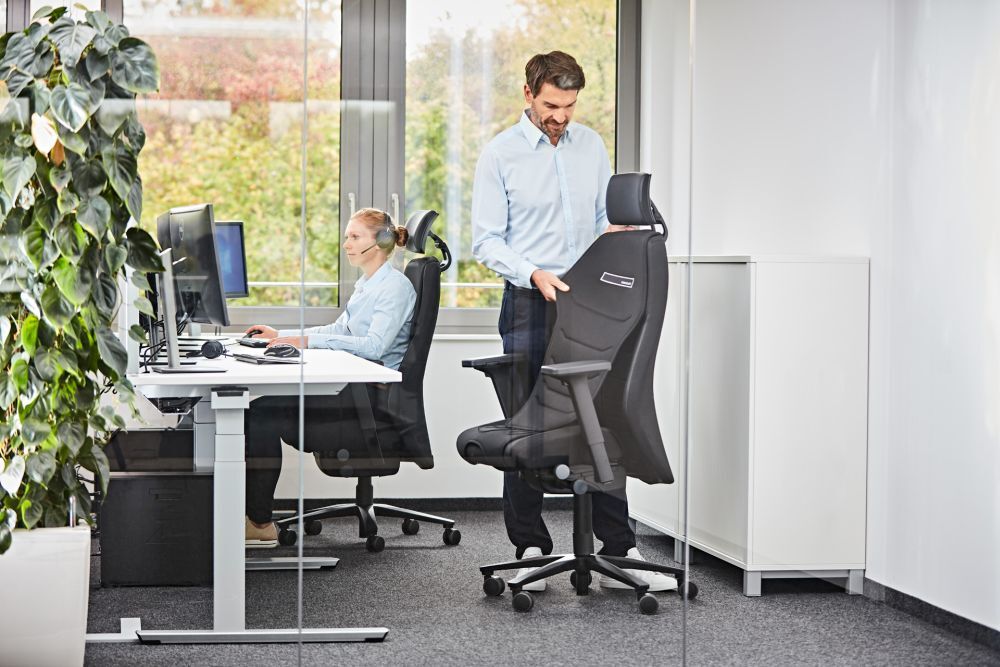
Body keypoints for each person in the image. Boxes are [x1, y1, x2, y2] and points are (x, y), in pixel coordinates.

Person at [471, 51, 675, 592]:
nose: (561, 115)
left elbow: (597, 221)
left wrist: (617, 240)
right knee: (530, 420)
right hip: (530, 300)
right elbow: (485, 240)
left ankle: (618, 548)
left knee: (598, 418)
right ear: (529, 94)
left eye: (569, 105)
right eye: (551, 105)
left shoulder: (590, 145)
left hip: (586, 304)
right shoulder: (501, 154)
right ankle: (531, 546)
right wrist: (533, 272)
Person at [242, 208, 415, 547]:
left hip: (368, 407)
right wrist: (284, 335)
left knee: (261, 414)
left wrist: (305, 341)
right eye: (347, 236)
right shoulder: (368, 284)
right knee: (259, 410)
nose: (346, 243)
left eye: (354, 237)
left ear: (379, 242)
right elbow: (340, 329)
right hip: (352, 395)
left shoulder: (394, 288)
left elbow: (374, 347)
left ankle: (259, 524)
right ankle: (252, 517)